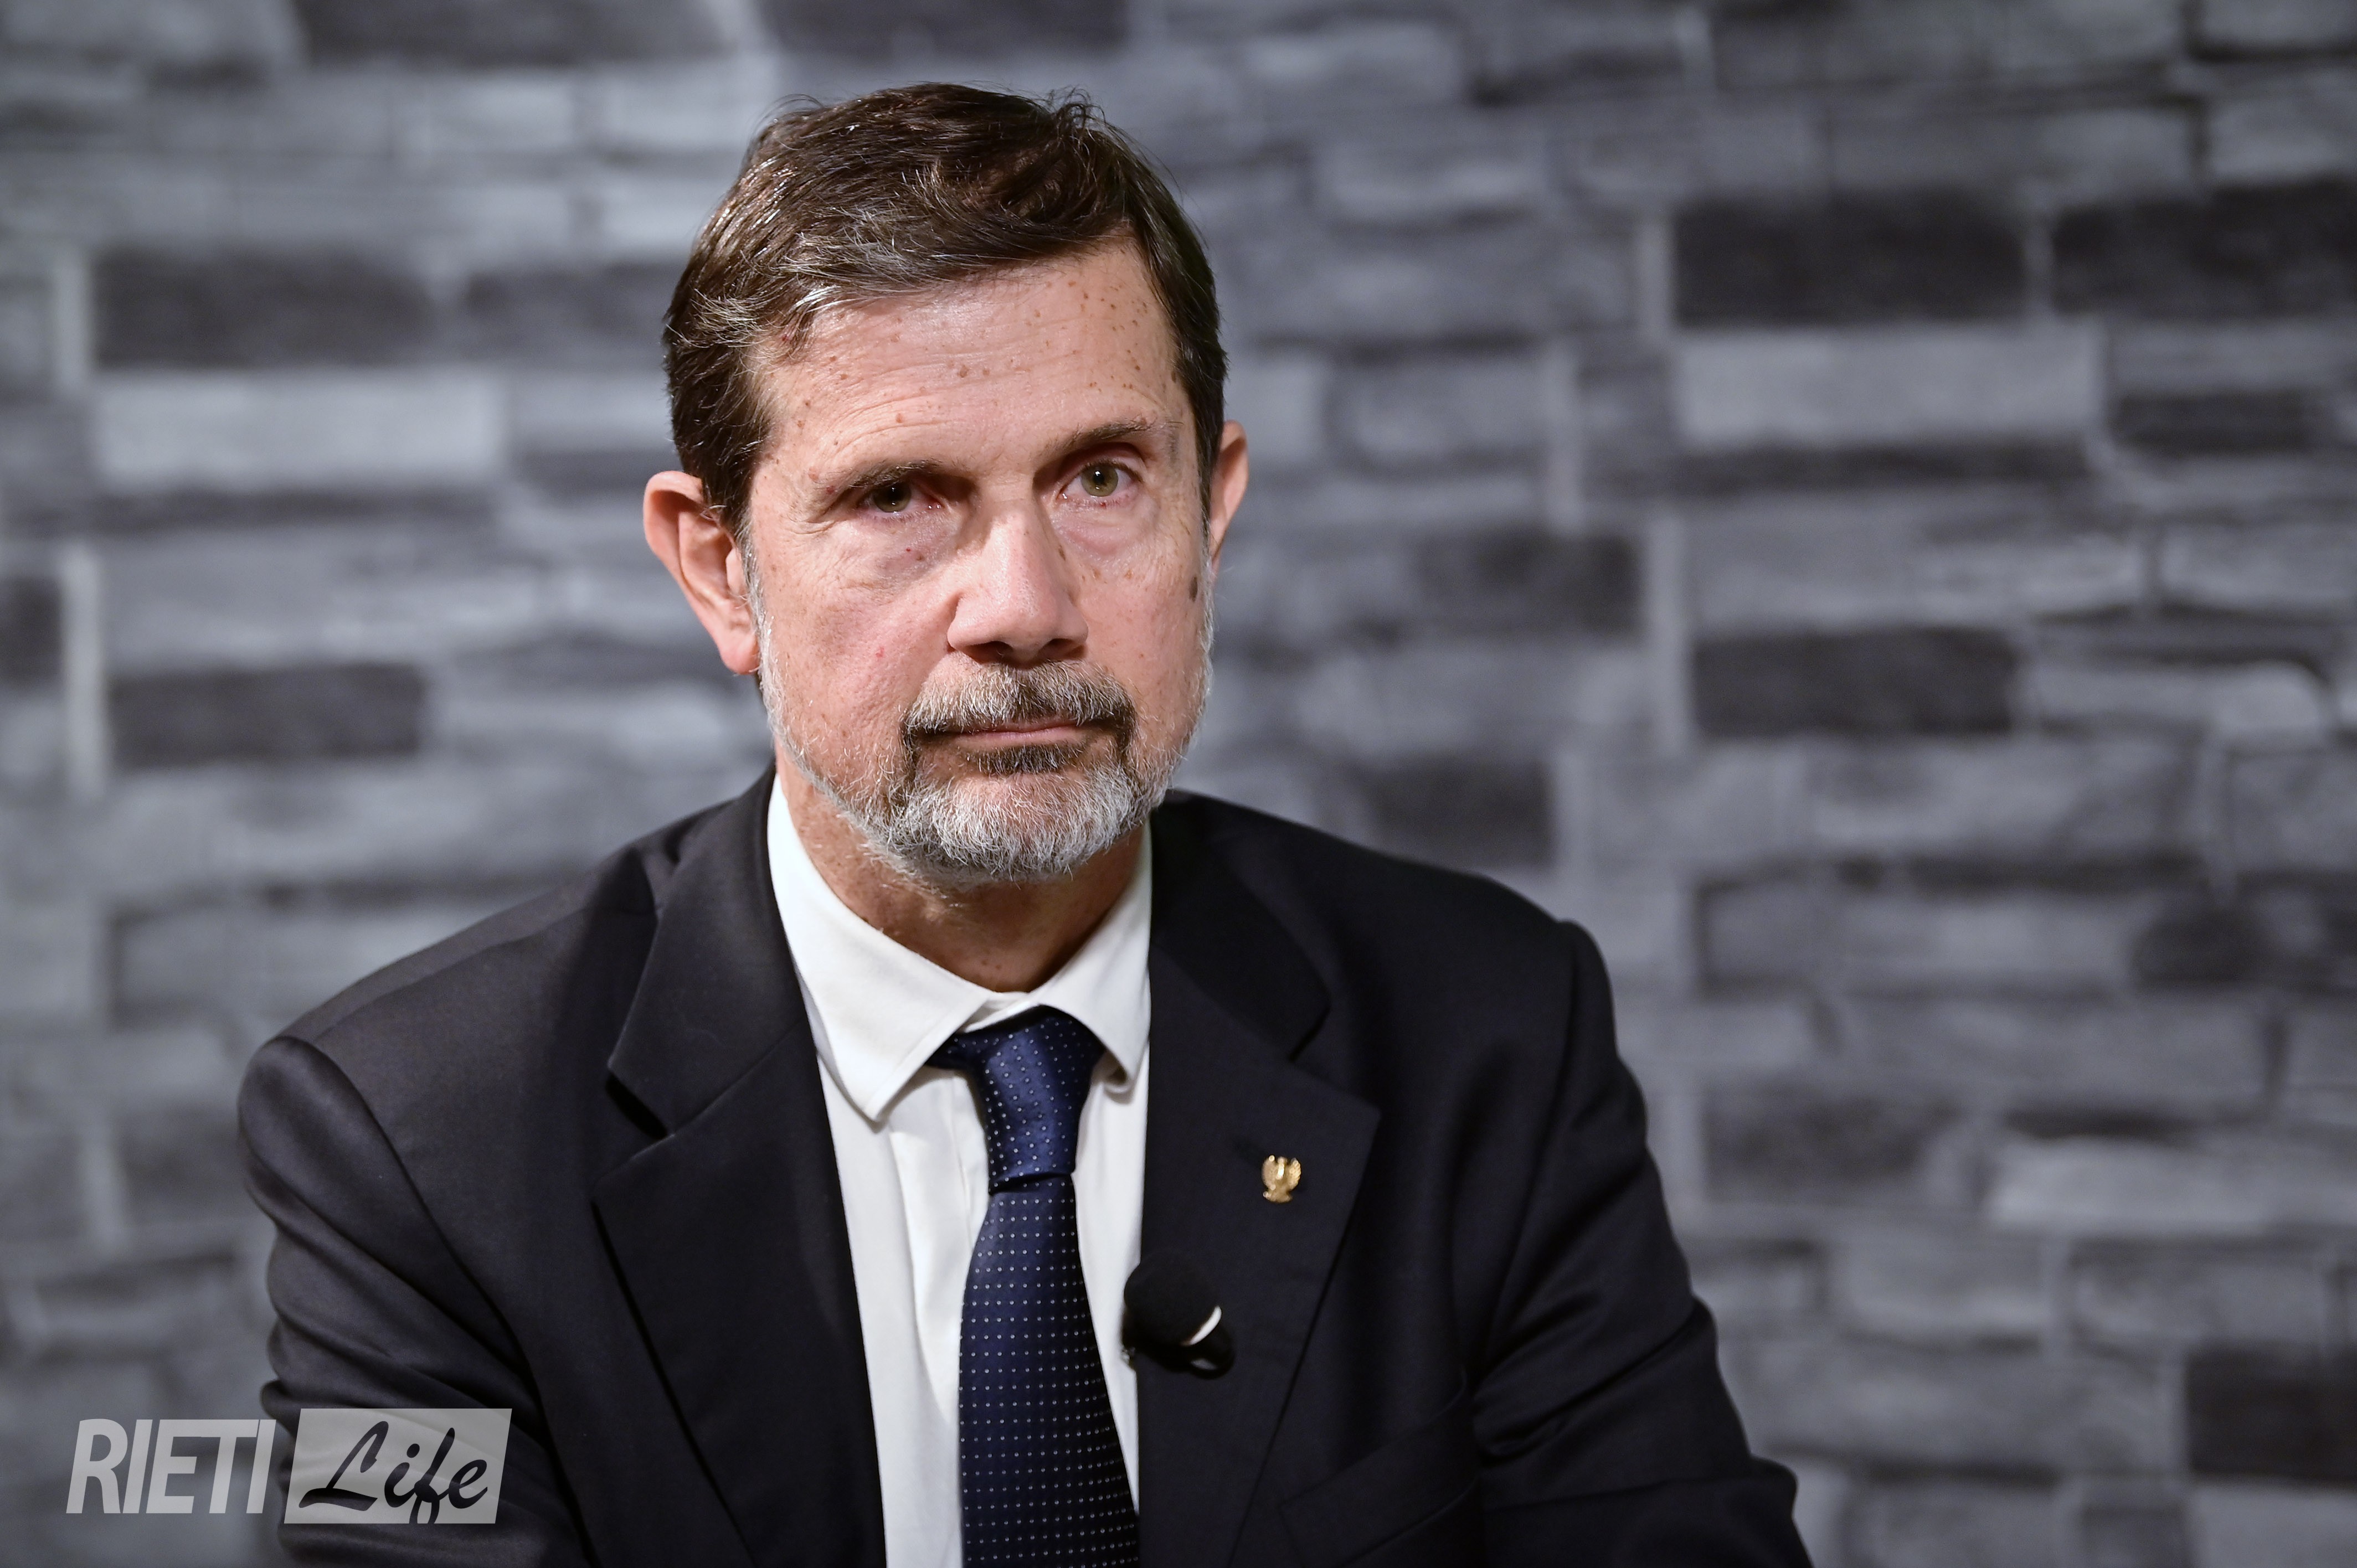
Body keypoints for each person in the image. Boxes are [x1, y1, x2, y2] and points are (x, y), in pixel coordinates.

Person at [239, 82, 1811, 1567]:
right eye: (898, 498)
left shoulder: (1489, 1034)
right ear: (721, 570)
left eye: (1102, 479)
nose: (1025, 606)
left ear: (1212, 511)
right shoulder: (411, 1144)